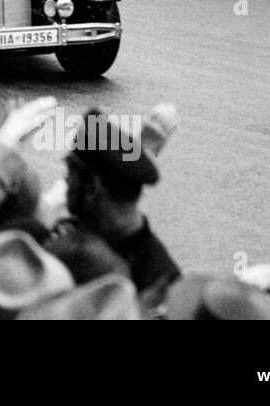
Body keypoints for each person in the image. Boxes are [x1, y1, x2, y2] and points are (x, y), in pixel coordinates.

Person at [58, 107, 180, 300]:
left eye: (71, 170)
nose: (66, 180)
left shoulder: (158, 287)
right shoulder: (68, 231)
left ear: (93, 189)